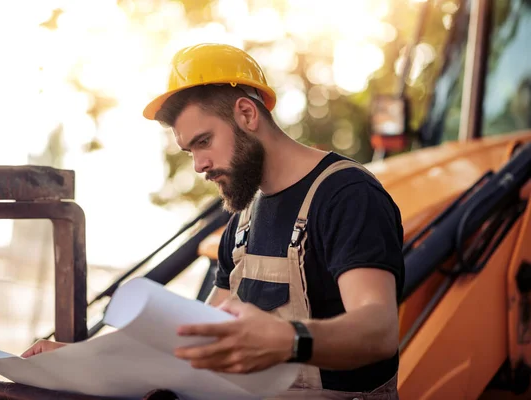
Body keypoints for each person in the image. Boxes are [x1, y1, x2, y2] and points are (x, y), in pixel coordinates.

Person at [22, 43, 405, 400]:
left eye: (204, 142)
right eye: (190, 150)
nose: (199, 165)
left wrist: (289, 340)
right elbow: (194, 340)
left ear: (246, 113)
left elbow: (379, 330)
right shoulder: (242, 222)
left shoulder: (346, 196)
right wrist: (81, 358)